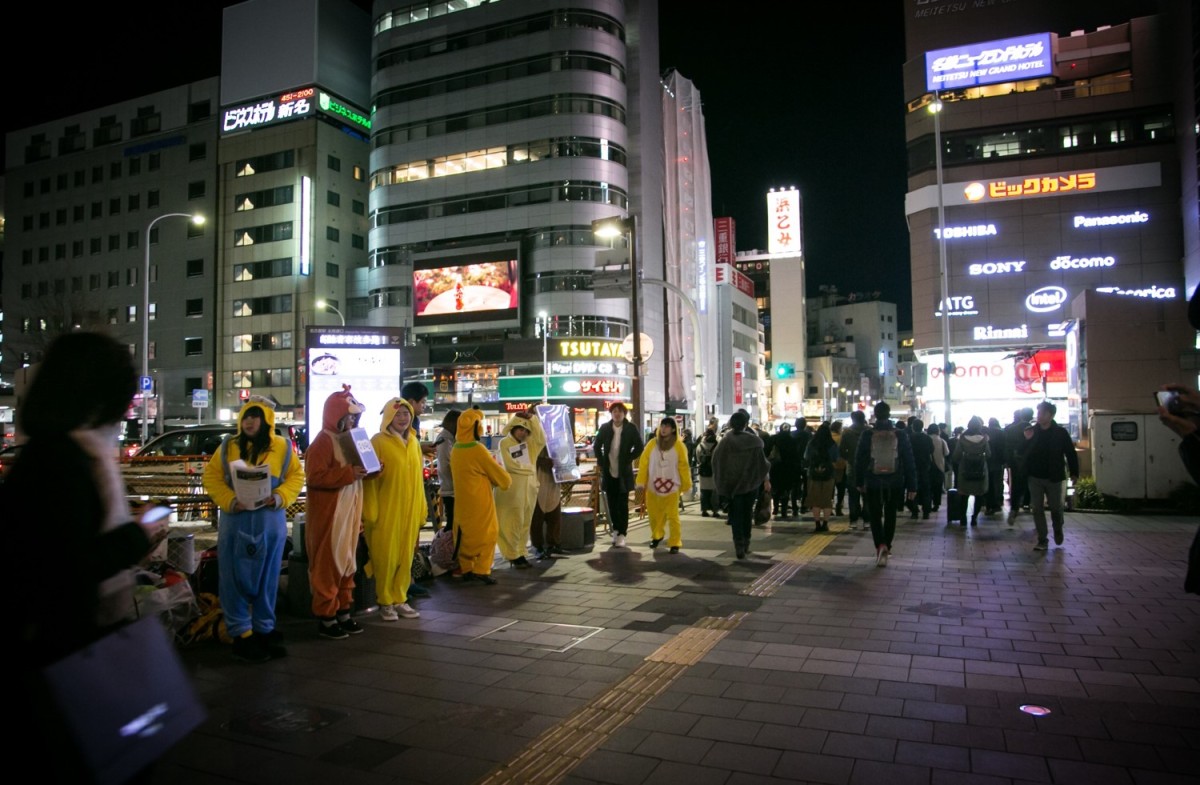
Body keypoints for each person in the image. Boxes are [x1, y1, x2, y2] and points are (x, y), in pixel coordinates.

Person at [4, 333, 173, 781]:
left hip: (69, 645)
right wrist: (138, 537)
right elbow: (70, 564)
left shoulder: (54, 452)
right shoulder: (65, 460)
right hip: (71, 650)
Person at [202, 396, 305, 661]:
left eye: (256, 417)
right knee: (234, 579)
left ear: (266, 420)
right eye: (247, 416)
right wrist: (230, 501)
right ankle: (241, 635)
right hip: (235, 525)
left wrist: (280, 496)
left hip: (270, 524)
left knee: (268, 579)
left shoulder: (282, 447)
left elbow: (296, 476)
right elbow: (211, 477)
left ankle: (263, 629)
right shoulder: (228, 447)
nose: (250, 422)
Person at [305, 385, 370, 640]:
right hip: (330, 518)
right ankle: (326, 617)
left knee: (346, 564)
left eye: (355, 416)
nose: (352, 420)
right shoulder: (322, 441)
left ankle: (343, 611)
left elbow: (363, 471)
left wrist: (375, 467)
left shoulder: (352, 439)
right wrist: (348, 474)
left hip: (349, 514)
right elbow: (314, 477)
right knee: (327, 565)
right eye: (348, 416)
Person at [361, 398, 426, 621]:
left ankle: (400, 598)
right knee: (384, 558)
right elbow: (369, 481)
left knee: (405, 557)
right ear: (388, 417)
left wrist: (422, 509)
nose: (403, 418)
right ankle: (385, 601)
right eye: (398, 414)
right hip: (386, 512)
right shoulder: (377, 442)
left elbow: (418, 480)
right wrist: (370, 511)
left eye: (406, 414)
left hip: (409, 511)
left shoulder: (414, 443)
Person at [450, 408, 512, 583]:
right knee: (488, 534)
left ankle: (467, 567)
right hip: (480, 502)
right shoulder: (478, 449)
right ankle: (482, 569)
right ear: (476, 427)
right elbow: (502, 478)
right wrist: (505, 479)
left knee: (464, 535)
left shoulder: (456, 449)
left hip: (462, 503)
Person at [854, 401, 917, 567]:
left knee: (875, 515)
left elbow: (859, 460)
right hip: (895, 481)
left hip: (873, 480)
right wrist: (912, 486)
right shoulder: (900, 434)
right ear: (889, 415)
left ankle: (879, 545)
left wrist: (859, 481)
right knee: (891, 514)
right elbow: (909, 461)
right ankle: (887, 546)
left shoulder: (867, 434)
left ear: (875, 414)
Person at [712, 409, 772, 560]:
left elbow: (716, 462)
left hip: (731, 486)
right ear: (746, 424)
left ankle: (738, 544)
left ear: (731, 424)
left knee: (735, 515)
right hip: (750, 485)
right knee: (747, 514)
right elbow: (762, 464)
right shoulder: (754, 442)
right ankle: (746, 543)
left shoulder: (725, 442)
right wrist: (764, 479)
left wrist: (721, 482)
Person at [1024, 401, 1079, 551]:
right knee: (1037, 508)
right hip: (1034, 476)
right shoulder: (1031, 431)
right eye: (1038, 413)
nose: (1039, 416)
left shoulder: (1060, 433)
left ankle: (1058, 527)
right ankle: (1042, 539)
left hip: (1054, 476)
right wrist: (1026, 441)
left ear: (1051, 415)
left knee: (1056, 508)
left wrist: (1074, 472)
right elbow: (1023, 453)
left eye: (1042, 413)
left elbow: (1070, 453)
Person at [635, 417, 692, 553]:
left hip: (672, 487)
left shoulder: (679, 446)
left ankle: (675, 543)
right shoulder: (651, 444)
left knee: (673, 516)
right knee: (654, 515)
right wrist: (641, 481)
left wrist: (686, 484)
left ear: (673, 429)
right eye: (662, 426)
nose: (664, 429)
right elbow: (643, 463)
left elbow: (684, 466)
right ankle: (657, 535)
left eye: (667, 426)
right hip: (653, 486)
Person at [592, 402, 644, 548]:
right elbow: (597, 445)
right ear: (611, 413)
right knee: (612, 503)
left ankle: (622, 533)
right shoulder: (605, 427)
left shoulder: (630, 428)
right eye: (614, 411)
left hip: (623, 472)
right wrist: (602, 462)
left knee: (622, 504)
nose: (617, 414)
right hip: (609, 472)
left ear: (624, 414)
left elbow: (640, 446)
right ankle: (615, 530)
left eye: (620, 411)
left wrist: (628, 458)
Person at [495, 410, 540, 569]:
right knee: (512, 522)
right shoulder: (505, 443)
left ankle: (521, 552)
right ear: (513, 427)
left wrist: (533, 418)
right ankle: (512, 554)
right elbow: (511, 466)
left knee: (525, 522)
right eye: (520, 429)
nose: (523, 433)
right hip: (512, 491)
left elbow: (541, 439)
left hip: (529, 490)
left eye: (526, 430)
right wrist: (530, 469)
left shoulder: (530, 443)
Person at [529, 425, 564, 561]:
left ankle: (554, 543)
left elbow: (564, 451)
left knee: (554, 512)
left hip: (554, 478)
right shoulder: (530, 436)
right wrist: (542, 461)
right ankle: (537, 546)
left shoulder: (556, 434)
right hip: (538, 478)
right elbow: (527, 457)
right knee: (537, 515)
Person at [951, 416, 991, 527]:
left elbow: (956, 455)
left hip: (965, 469)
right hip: (980, 469)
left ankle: (963, 518)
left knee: (964, 495)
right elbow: (988, 454)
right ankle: (974, 518)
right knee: (979, 495)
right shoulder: (984, 439)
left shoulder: (962, 439)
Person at [804, 422, 839, 532]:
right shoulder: (832, 444)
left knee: (815, 500)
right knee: (827, 499)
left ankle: (817, 524)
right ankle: (825, 524)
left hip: (813, 474)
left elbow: (806, 457)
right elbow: (836, 458)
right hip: (829, 474)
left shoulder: (812, 443)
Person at [1004, 407, 1035, 525]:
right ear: (1031, 416)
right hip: (1030, 463)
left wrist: (1008, 461)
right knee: (1033, 485)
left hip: (1016, 463)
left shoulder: (1011, 429)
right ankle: (1032, 505)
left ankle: (1014, 509)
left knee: (1016, 486)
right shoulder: (1032, 429)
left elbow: (1007, 447)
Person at [839, 410, 868, 528]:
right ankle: (867, 520)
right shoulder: (869, 431)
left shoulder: (847, 432)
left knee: (853, 495)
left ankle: (853, 521)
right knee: (867, 496)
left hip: (852, 467)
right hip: (868, 468)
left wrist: (849, 458)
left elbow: (841, 450)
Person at [434, 410, 460, 532]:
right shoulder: (445, 439)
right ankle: (449, 549)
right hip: (450, 489)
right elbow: (446, 464)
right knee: (452, 524)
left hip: (451, 488)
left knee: (454, 523)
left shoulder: (449, 438)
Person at [906, 418, 934, 520]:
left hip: (912, 467)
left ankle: (914, 511)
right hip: (925, 467)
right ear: (922, 427)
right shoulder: (927, 438)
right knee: (926, 490)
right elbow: (931, 450)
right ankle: (926, 512)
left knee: (912, 489)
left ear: (913, 427)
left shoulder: (909, 438)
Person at [790, 417, 812, 516]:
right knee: (807, 486)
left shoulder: (791, 434)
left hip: (793, 462)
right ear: (804, 425)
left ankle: (794, 507)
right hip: (806, 463)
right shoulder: (808, 435)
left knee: (794, 485)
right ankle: (803, 506)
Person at [695, 429, 720, 517]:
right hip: (714, 471)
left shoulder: (700, 446)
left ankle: (704, 510)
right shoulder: (717, 445)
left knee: (704, 491)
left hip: (704, 472)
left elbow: (698, 458)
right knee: (714, 491)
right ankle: (715, 511)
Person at [985, 417, 1007, 514]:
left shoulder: (986, 432)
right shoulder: (1001, 432)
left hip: (987, 461)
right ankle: (998, 502)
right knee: (998, 482)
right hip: (998, 462)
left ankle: (989, 504)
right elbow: (1004, 448)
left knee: (989, 483)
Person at [927, 423, 950, 513]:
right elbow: (947, 453)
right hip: (939, 466)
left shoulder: (926, 439)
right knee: (937, 487)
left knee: (928, 487)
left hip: (928, 466)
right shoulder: (942, 441)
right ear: (938, 431)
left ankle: (927, 504)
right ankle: (936, 505)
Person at [830, 420, 847, 516]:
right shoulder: (841, 438)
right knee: (841, 488)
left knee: (830, 489)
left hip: (830, 466)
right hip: (841, 465)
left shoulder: (827, 438)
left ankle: (829, 508)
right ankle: (838, 507)